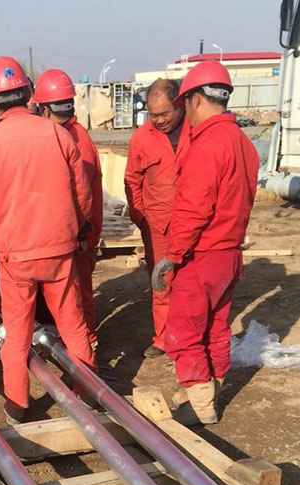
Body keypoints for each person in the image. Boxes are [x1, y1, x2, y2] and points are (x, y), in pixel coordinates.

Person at [0, 56, 95, 424]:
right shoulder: (58, 134)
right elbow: (82, 193)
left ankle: (18, 405)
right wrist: (81, 228)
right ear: (29, 94)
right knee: (73, 325)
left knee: (18, 332)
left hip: (16, 257)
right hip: (60, 251)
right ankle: (87, 393)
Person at [151, 61, 260, 426]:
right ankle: (210, 388)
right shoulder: (243, 144)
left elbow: (193, 209)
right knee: (215, 327)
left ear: (196, 99)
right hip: (229, 254)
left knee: (184, 330)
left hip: (201, 255)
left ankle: (200, 407)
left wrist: (172, 255)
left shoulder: (208, 144)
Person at [34, 68, 103, 348]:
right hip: (73, 229)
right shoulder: (66, 134)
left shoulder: (74, 139)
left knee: (79, 295)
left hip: (79, 232)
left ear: (44, 108)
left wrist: (79, 234)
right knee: (71, 293)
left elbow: (81, 196)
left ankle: (88, 346)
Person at [125, 78, 190, 358]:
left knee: (192, 282)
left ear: (179, 105)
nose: (159, 120)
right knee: (161, 281)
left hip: (194, 222)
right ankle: (163, 338)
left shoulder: (196, 131)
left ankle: (190, 336)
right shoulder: (142, 138)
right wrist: (142, 218)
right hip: (158, 226)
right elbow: (132, 180)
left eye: (164, 113)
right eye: (153, 115)